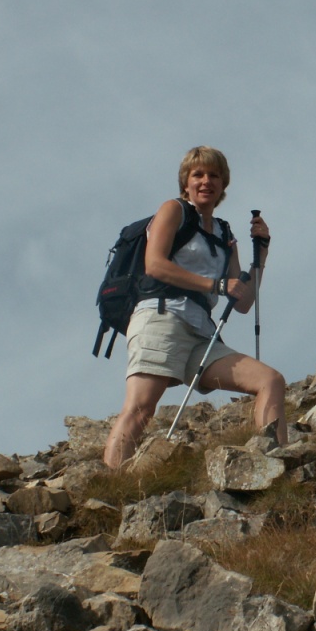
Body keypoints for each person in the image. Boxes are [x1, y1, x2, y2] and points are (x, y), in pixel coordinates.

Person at [103, 146, 287, 469]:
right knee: (140, 408)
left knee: (270, 381)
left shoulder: (225, 234)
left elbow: (243, 302)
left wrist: (262, 252)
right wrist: (215, 285)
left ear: (223, 184)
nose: (206, 181)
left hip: (201, 332)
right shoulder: (173, 210)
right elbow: (155, 265)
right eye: (198, 174)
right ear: (185, 182)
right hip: (161, 317)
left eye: (214, 175)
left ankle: (275, 465)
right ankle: (112, 484)